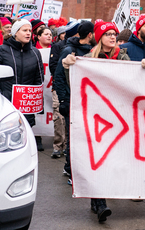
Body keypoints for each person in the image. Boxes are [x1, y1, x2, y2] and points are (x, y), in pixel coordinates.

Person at [61, 21, 130, 223]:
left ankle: (96, 199)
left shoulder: (124, 57)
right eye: (108, 34)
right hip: (95, 116)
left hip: (118, 117)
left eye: (114, 34)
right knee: (97, 158)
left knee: (111, 159)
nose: (112, 37)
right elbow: (74, 82)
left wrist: (144, 67)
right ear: (99, 37)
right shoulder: (88, 59)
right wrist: (68, 67)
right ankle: (100, 203)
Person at [55, 21, 95, 185]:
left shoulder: (93, 52)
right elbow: (59, 76)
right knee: (74, 137)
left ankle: (70, 166)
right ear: (90, 35)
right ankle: (72, 170)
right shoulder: (68, 51)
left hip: (88, 102)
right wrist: (64, 99)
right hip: (73, 99)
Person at [0, 20, 44, 131]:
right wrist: (1, 95)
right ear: (15, 32)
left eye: (30, 31)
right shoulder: (1, 51)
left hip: (26, 104)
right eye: (24, 30)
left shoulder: (35, 52)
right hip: (6, 102)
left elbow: (39, 79)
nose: (28, 33)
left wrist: (38, 102)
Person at [48, 20, 79, 159]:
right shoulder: (59, 47)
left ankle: (68, 146)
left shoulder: (82, 48)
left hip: (75, 87)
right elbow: (54, 66)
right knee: (59, 116)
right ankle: (58, 146)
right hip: (60, 86)